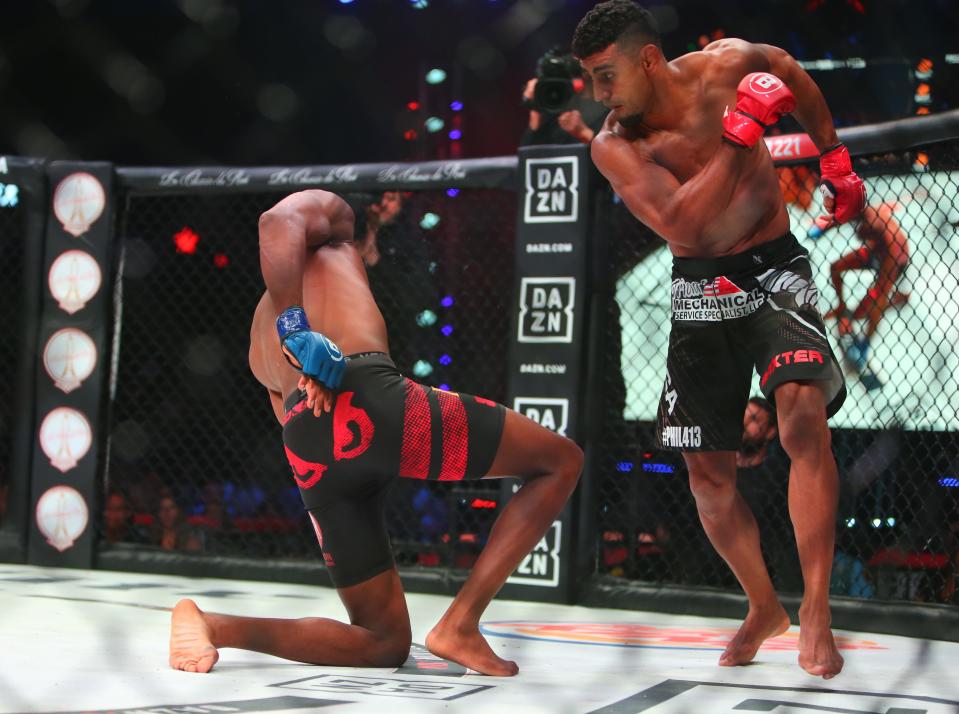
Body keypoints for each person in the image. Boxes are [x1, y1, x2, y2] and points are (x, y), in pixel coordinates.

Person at [168, 189, 583, 676]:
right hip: (364, 395)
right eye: (379, 239)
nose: (378, 255)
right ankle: (461, 624)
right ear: (373, 215)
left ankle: (213, 625)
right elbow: (275, 220)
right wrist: (296, 328)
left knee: (382, 642)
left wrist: (295, 340)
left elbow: (297, 418)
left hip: (311, 451)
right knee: (560, 460)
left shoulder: (256, 341)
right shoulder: (338, 224)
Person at [573, 0, 866, 678]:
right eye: (589, 79)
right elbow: (683, 225)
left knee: (799, 414)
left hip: (774, 269)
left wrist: (836, 162)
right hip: (698, 285)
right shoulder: (614, 144)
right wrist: (740, 137)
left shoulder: (726, 64)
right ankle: (764, 606)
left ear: (646, 59)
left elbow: (787, 70)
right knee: (707, 475)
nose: (598, 94)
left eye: (605, 75)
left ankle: (816, 607)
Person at [818, 202, 910, 390]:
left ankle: (865, 344)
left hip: (892, 261)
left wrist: (877, 299)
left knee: (875, 304)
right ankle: (842, 305)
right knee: (835, 267)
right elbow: (842, 218)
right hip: (874, 251)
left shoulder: (886, 239)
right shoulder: (862, 214)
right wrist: (823, 228)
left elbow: (880, 292)